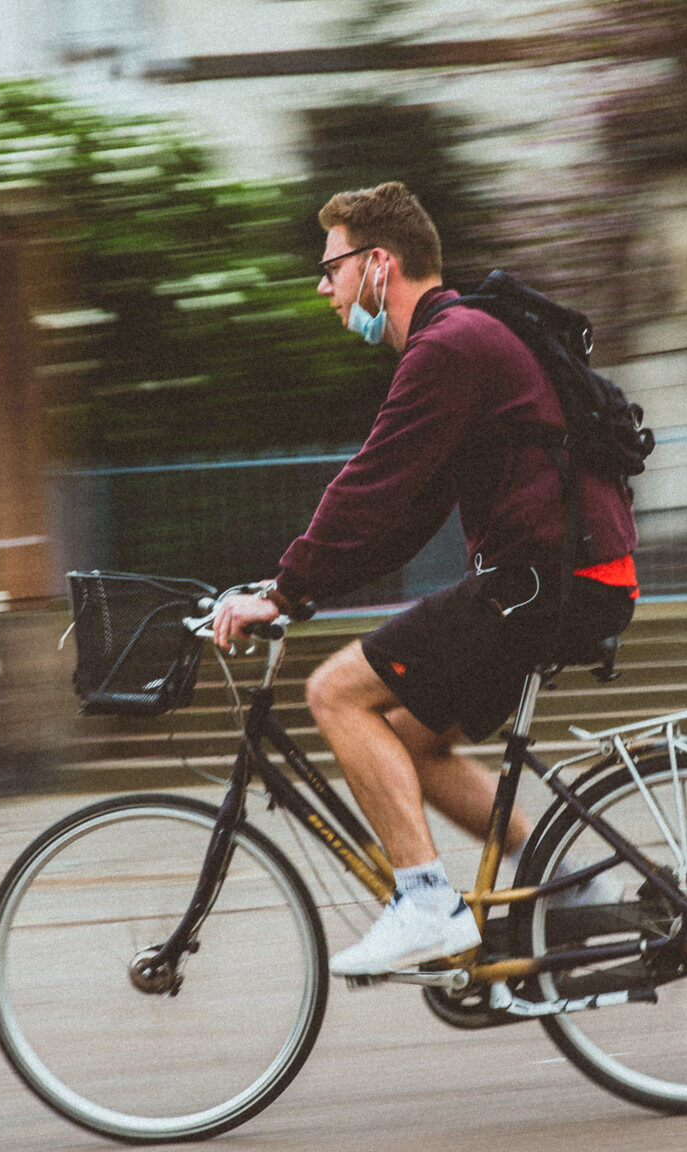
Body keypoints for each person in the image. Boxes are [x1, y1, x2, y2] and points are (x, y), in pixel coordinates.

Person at [212, 181, 638, 976]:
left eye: (332, 267)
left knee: (336, 694)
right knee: (409, 740)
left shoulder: (447, 346)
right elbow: (405, 513)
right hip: (568, 576)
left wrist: (282, 592)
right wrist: (300, 591)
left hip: (543, 582)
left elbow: (373, 480)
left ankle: (425, 904)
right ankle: (569, 885)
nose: (323, 285)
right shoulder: (463, 338)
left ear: (381, 265)